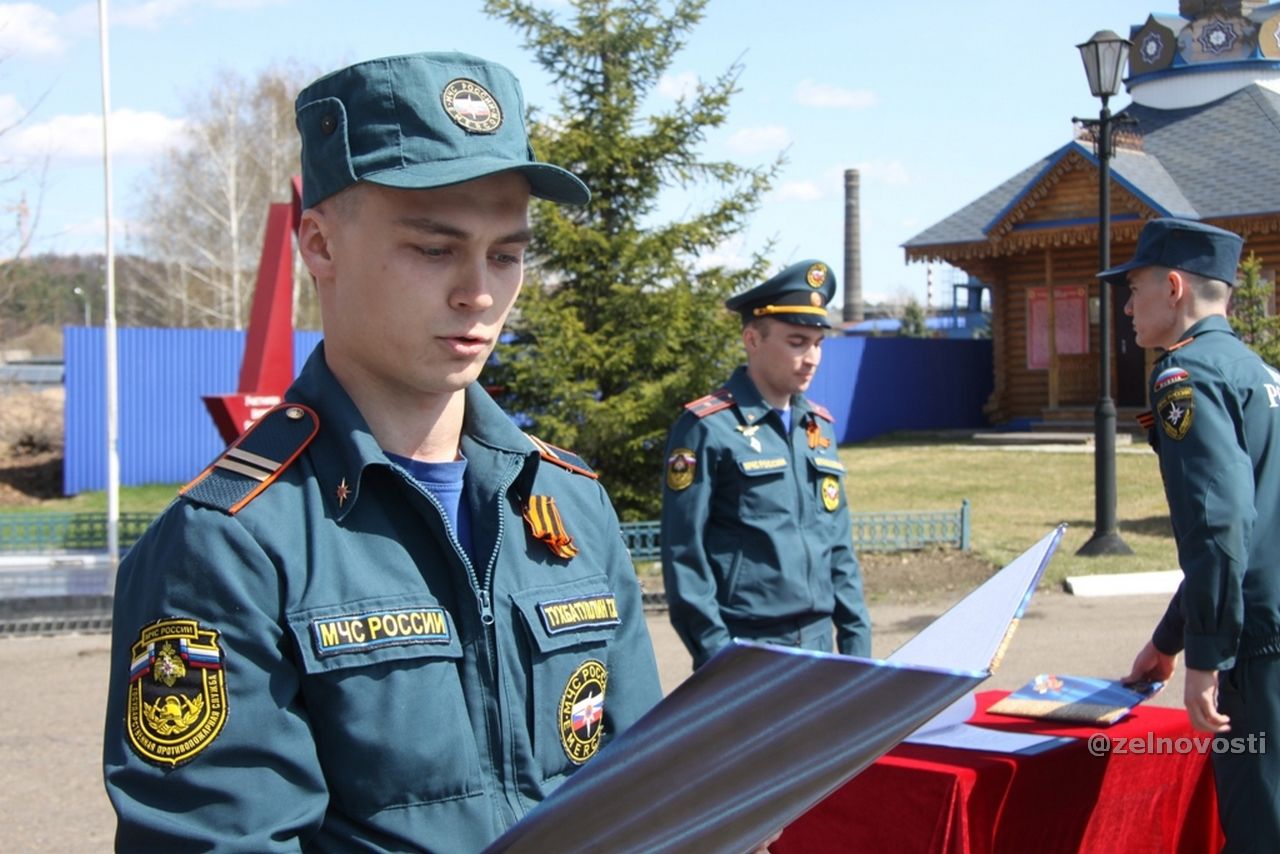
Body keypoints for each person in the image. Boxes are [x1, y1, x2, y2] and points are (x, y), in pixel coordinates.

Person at [102, 51, 662, 852]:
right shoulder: (230, 543)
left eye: (507, 254)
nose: (479, 292)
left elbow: (642, 790)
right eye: (435, 250)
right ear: (321, 247)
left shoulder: (569, 503)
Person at [1114, 218, 1280, 850]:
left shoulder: (1185, 376)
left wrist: (1206, 658)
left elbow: (1221, 526)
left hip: (1255, 650)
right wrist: (1168, 640)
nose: (1128, 307)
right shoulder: (1259, 373)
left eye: (1134, 288)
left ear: (1174, 286)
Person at [660, 260, 872, 669]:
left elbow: (839, 549)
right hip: (748, 648)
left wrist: (857, 648)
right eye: (796, 341)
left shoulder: (818, 428)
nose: (811, 357)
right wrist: (717, 657)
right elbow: (684, 554)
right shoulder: (707, 428)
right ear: (752, 339)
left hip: (818, 644)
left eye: (817, 343)